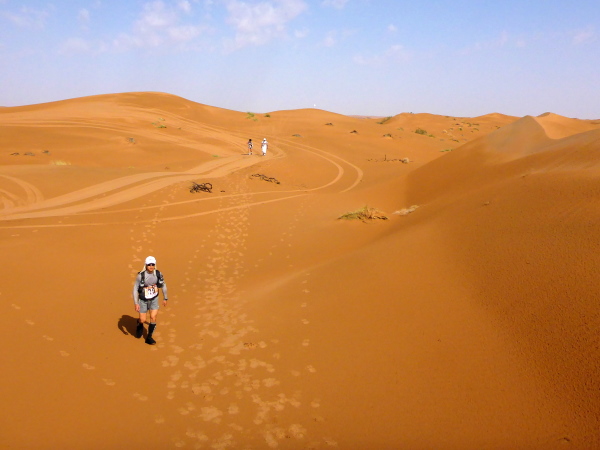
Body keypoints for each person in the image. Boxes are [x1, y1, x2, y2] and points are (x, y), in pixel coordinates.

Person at [132, 256, 168, 345]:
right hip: (143, 300)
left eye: (153, 264)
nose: (151, 266)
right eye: (149, 264)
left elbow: (163, 285)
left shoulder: (158, 274)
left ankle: (149, 337)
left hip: (154, 299)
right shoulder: (141, 276)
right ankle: (139, 323)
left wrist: (165, 298)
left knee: (153, 317)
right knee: (142, 319)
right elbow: (135, 289)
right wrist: (136, 303)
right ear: (146, 265)